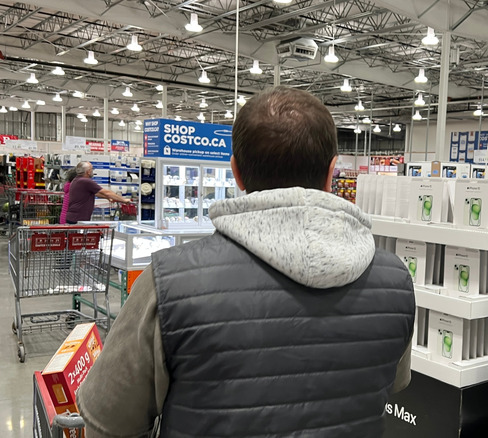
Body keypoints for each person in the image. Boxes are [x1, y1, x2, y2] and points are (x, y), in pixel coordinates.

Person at [76, 87, 416, 438]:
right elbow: (394, 381)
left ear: (235, 172)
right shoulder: (395, 280)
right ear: (332, 173)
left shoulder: (168, 283)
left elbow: (108, 420)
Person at [65, 161, 132, 224]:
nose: (92, 171)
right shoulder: (86, 181)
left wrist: (108, 198)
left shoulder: (76, 180)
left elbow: (96, 193)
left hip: (74, 217)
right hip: (78, 219)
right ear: (88, 171)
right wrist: (124, 200)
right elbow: (106, 192)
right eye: (92, 169)